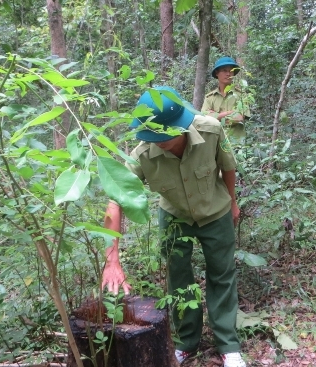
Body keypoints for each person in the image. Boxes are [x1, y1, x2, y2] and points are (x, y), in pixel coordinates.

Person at [102, 86, 246, 367]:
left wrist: (232, 202)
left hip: (215, 211)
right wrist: (112, 259)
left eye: (165, 135)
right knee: (178, 278)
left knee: (222, 274)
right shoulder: (142, 155)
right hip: (175, 216)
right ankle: (185, 342)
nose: (160, 141)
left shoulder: (212, 130)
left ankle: (228, 344)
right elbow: (115, 201)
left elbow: (227, 165)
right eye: (153, 136)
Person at [202, 57, 251, 144]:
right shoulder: (210, 97)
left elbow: (239, 117)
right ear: (217, 73)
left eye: (231, 71)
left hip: (237, 144)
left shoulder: (241, 95)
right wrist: (229, 113)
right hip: (215, 142)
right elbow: (205, 118)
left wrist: (216, 116)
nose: (228, 74)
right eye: (224, 70)